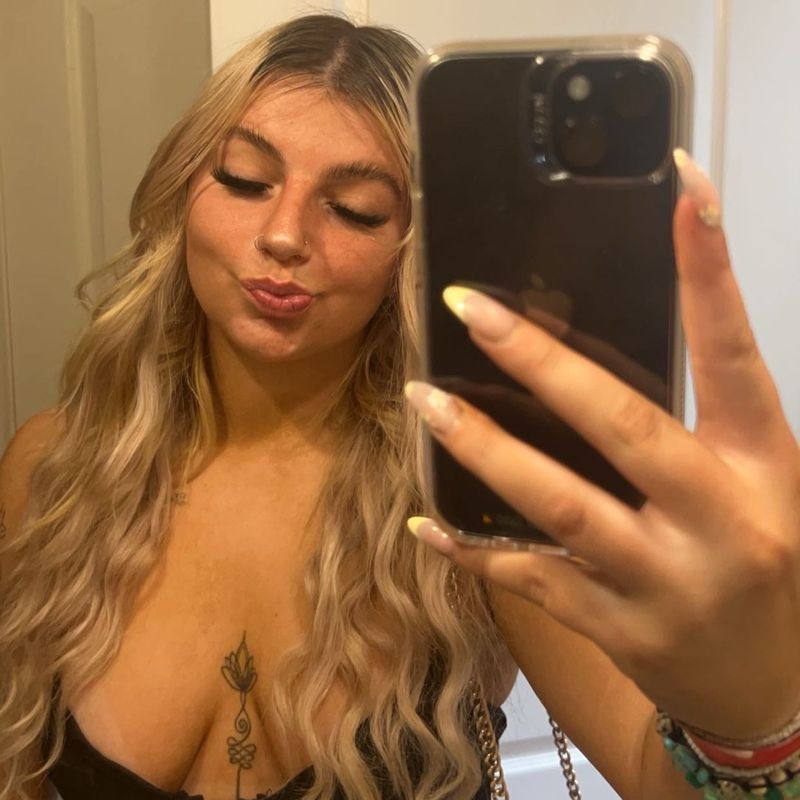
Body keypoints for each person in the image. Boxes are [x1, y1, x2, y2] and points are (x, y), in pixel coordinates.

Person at [0, 11, 797, 800]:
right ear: (182, 191)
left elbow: (660, 779)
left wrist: (752, 716)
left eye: (355, 209)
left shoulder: (467, 510)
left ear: (414, 248)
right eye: (245, 178)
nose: (284, 234)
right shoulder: (53, 473)